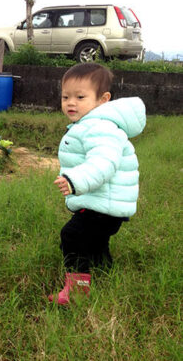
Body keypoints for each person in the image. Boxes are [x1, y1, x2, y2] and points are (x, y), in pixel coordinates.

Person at [48, 63, 146, 305]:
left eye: (80, 97)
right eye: (65, 97)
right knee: (96, 241)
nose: (71, 103)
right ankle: (104, 272)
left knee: (72, 236)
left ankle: (77, 292)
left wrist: (75, 181)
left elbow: (104, 162)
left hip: (103, 204)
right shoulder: (92, 124)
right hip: (104, 202)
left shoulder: (99, 126)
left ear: (103, 99)